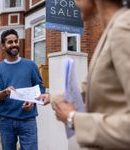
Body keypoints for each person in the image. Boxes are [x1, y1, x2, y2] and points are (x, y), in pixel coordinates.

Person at [38, 0, 130, 149]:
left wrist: (73, 119)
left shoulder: (124, 28)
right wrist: (53, 98)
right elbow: (95, 90)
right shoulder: (111, 31)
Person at [0, 29, 48, 150]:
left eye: (16, 41)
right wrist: (5, 92)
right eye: (10, 42)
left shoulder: (30, 65)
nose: (14, 44)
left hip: (28, 119)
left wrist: (33, 102)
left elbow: (40, 88)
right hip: (6, 120)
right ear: (3, 46)